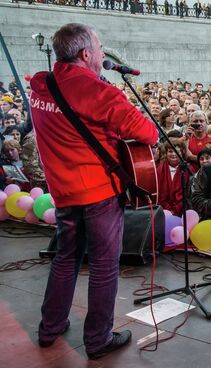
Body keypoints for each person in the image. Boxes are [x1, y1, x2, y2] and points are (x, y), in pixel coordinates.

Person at [30, 24, 158, 359]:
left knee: (65, 258)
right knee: (103, 265)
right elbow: (148, 132)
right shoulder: (99, 92)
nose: (103, 53)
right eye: (100, 47)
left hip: (62, 191)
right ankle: (98, 339)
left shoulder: (42, 85)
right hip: (98, 192)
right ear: (87, 54)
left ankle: (50, 328)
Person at [156, 138, 192, 216]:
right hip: (164, 212)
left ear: (182, 153)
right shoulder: (159, 170)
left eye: (177, 151)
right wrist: (168, 211)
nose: (173, 154)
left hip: (184, 212)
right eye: (170, 151)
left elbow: (188, 194)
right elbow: (159, 194)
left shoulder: (188, 169)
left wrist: (176, 210)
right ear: (166, 153)